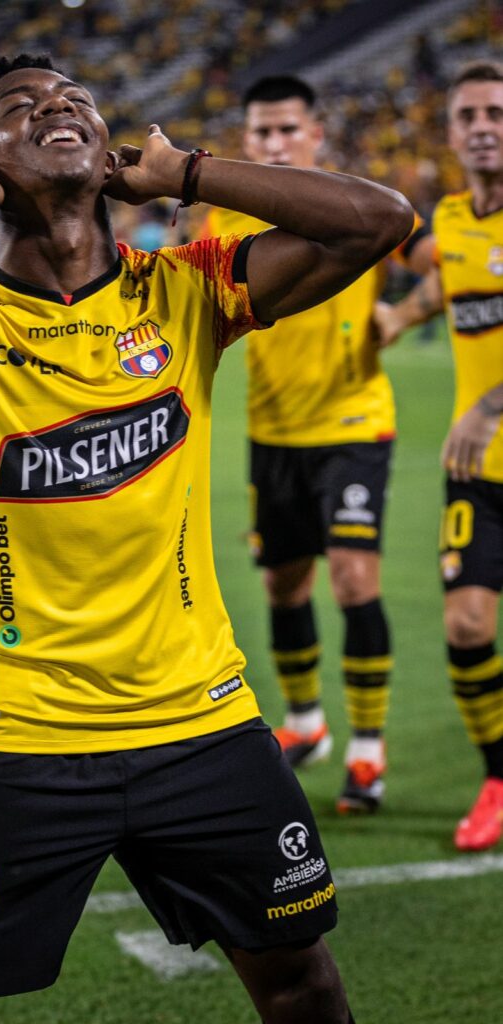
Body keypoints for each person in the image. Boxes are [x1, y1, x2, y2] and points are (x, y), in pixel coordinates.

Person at [0, 53, 411, 1024]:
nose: (55, 107)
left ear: (107, 148)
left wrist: (188, 173)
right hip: (16, 734)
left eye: (75, 100)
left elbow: (380, 220)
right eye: (18, 107)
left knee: (300, 981)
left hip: (200, 720)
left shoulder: (187, 290)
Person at [200, 76, 431, 813]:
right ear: (246, 139)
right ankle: (306, 724)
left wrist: (406, 314)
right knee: (284, 585)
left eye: (287, 130)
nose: (274, 143)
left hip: (353, 424)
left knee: (355, 582)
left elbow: (445, 263)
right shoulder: (225, 219)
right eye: (261, 132)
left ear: (316, 134)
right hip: (273, 432)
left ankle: (367, 749)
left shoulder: (351, 203)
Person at [373, 60, 503, 852]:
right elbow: (452, 291)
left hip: (481, 429)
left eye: (495, 113)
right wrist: (397, 317)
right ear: (450, 132)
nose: (482, 127)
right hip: (476, 472)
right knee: (464, 624)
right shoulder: (450, 218)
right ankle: (497, 779)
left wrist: (489, 405)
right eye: (468, 116)